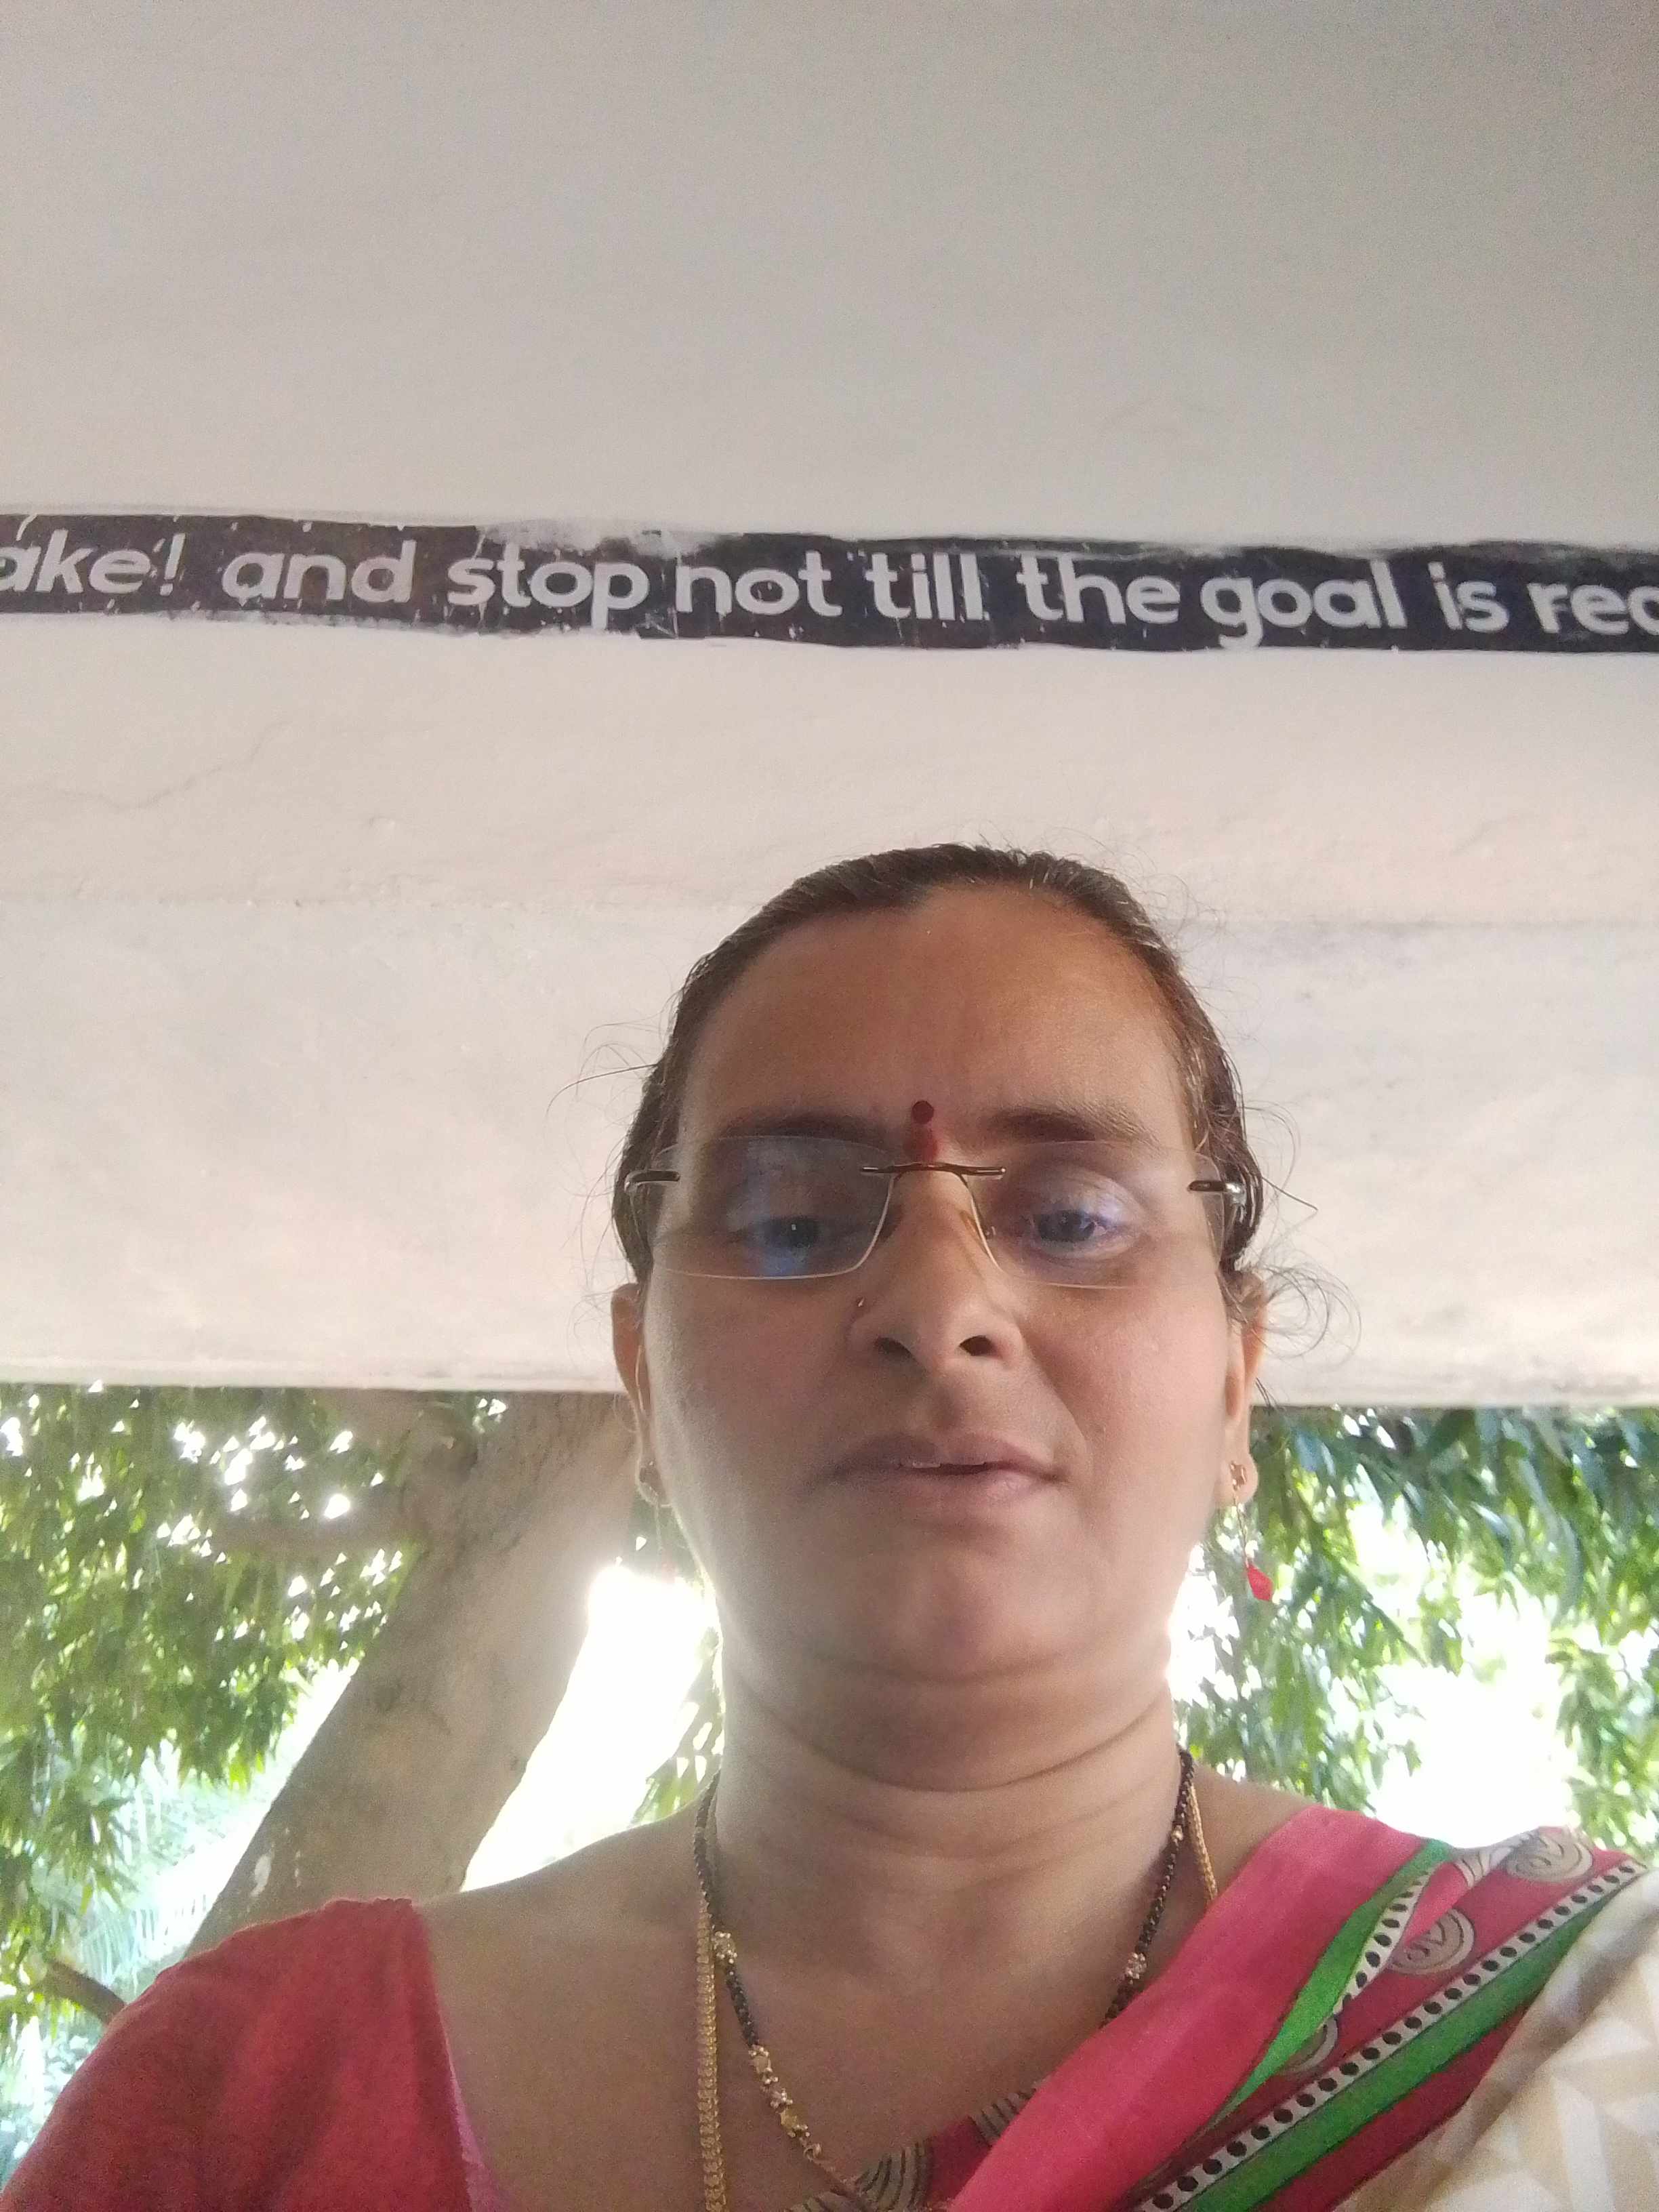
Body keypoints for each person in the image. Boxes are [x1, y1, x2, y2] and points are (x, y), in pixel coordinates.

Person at [8, 842, 1654, 2212]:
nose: (940, 1308)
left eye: (1073, 1216)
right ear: (643, 1388)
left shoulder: (1570, 2045)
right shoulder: (244, 2103)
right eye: (794, 1220)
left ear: (1235, 1383)